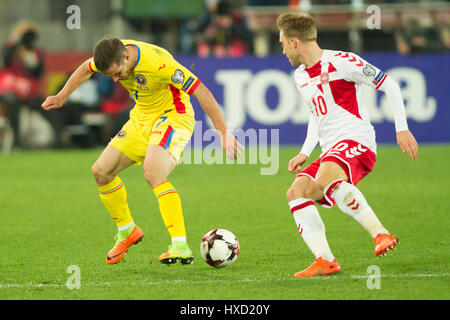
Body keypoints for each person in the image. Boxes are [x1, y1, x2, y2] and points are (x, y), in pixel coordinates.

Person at [42, 36, 243, 265]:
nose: (117, 80)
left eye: (118, 73)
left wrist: (223, 132)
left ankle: (180, 245)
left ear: (126, 57)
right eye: (111, 76)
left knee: (153, 173)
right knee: (101, 171)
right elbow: (85, 69)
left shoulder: (159, 64)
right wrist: (61, 96)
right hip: (141, 119)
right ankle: (127, 231)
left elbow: (201, 91)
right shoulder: (111, 55)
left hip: (172, 116)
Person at [277, 13, 418, 278]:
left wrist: (402, 128)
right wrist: (305, 151)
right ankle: (325, 260)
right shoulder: (300, 76)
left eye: (283, 42)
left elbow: (390, 85)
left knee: (326, 176)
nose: (282, 49)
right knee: (297, 192)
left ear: (295, 42)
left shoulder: (343, 61)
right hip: (331, 148)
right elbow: (316, 114)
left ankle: (381, 234)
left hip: (357, 140)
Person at [0, 20, 65, 148]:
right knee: (13, 103)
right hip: (9, 92)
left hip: (28, 93)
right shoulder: (9, 48)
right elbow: (6, 62)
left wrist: (27, 54)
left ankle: (61, 137)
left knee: (47, 105)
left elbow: (37, 72)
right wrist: (15, 45)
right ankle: (16, 141)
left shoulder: (36, 52)